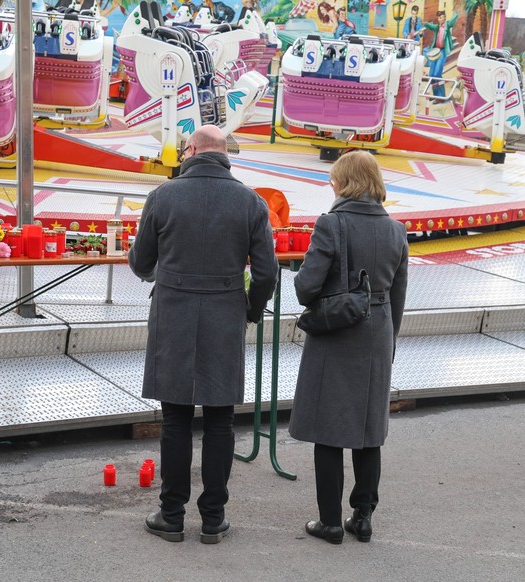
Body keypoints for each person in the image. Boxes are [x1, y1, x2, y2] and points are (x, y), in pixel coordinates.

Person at [129, 124, 278, 544]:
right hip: (225, 314)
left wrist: (166, 274)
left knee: (175, 418)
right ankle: (213, 519)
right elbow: (267, 272)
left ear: (191, 150)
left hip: (173, 314)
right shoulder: (251, 202)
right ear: (224, 154)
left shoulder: (163, 196)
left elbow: (141, 262)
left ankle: (171, 516)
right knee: (219, 420)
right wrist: (249, 309)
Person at [289, 150, 408, 545]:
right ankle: (363, 516)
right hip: (378, 333)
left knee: (329, 429)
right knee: (368, 429)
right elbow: (399, 296)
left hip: (337, 333)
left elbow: (307, 287)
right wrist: (388, 342)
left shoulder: (331, 224)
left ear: (343, 183)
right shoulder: (396, 229)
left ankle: (330, 522)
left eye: (334, 179)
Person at [423, 9, 459, 97]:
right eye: (438, 18)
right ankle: (436, 95)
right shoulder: (437, 27)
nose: (440, 19)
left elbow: (453, 21)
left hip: (442, 51)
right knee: (432, 75)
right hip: (435, 51)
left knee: (437, 74)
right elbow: (431, 26)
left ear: (444, 18)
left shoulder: (447, 25)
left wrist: (455, 13)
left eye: (441, 17)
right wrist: (425, 23)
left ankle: (441, 96)